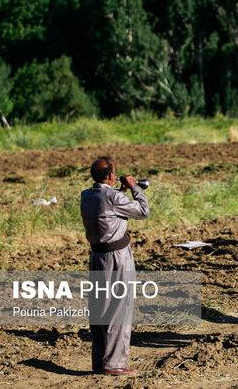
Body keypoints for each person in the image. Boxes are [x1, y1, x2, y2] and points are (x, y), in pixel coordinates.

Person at [80, 157, 150, 376]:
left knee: (100, 308)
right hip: (117, 256)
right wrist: (133, 186)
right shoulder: (112, 196)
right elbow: (143, 210)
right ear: (110, 175)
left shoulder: (87, 195)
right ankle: (115, 364)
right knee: (119, 308)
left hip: (97, 256)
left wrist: (119, 192)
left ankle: (100, 361)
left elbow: (107, 205)